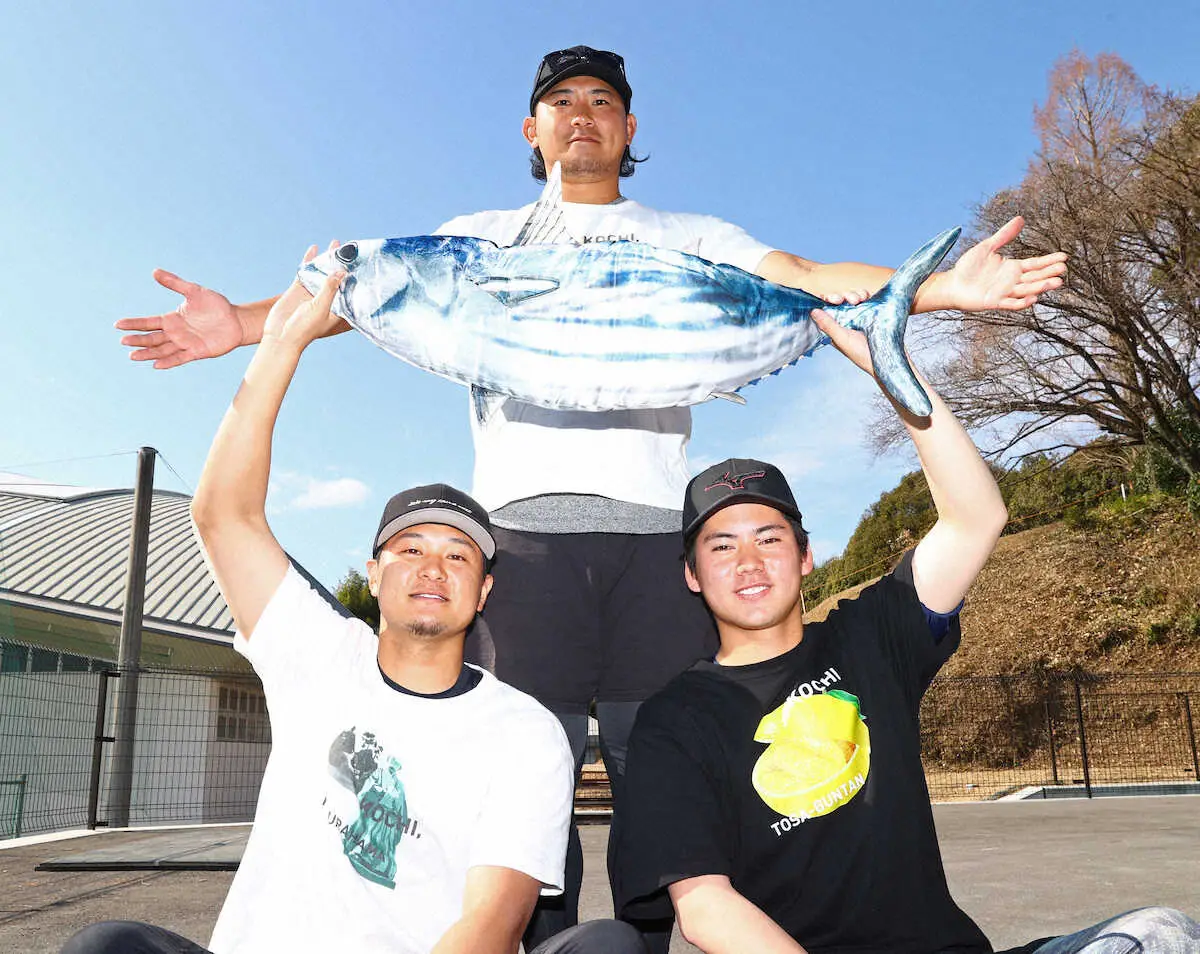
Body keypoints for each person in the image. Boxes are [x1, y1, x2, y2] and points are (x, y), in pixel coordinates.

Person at [114, 45, 1068, 945]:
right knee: (528, 781)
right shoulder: (477, 239)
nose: (582, 114)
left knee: (668, 788)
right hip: (522, 550)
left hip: (657, 551)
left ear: (629, 128)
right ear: (531, 130)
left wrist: (938, 290)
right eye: (561, 101)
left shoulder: (692, 237)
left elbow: (813, 283)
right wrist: (245, 325)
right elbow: (360, 297)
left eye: (603, 101)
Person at [64, 265, 645, 954]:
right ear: (373, 575)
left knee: (606, 944)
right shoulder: (320, 654)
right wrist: (280, 343)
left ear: (485, 590)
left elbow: (494, 920)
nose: (432, 567)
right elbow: (224, 514)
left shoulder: (523, 731)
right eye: (410, 549)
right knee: (107, 944)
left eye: (458, 556)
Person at [609, 309, 1200, 953]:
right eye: (722, 547)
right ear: (692, 574)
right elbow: (703, 905)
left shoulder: (869, 637)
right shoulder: (674, 720)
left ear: (805, 557)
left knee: (1159, 935)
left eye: (769, 539)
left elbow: (975, 517)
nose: (748, 562)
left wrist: (891, 366)